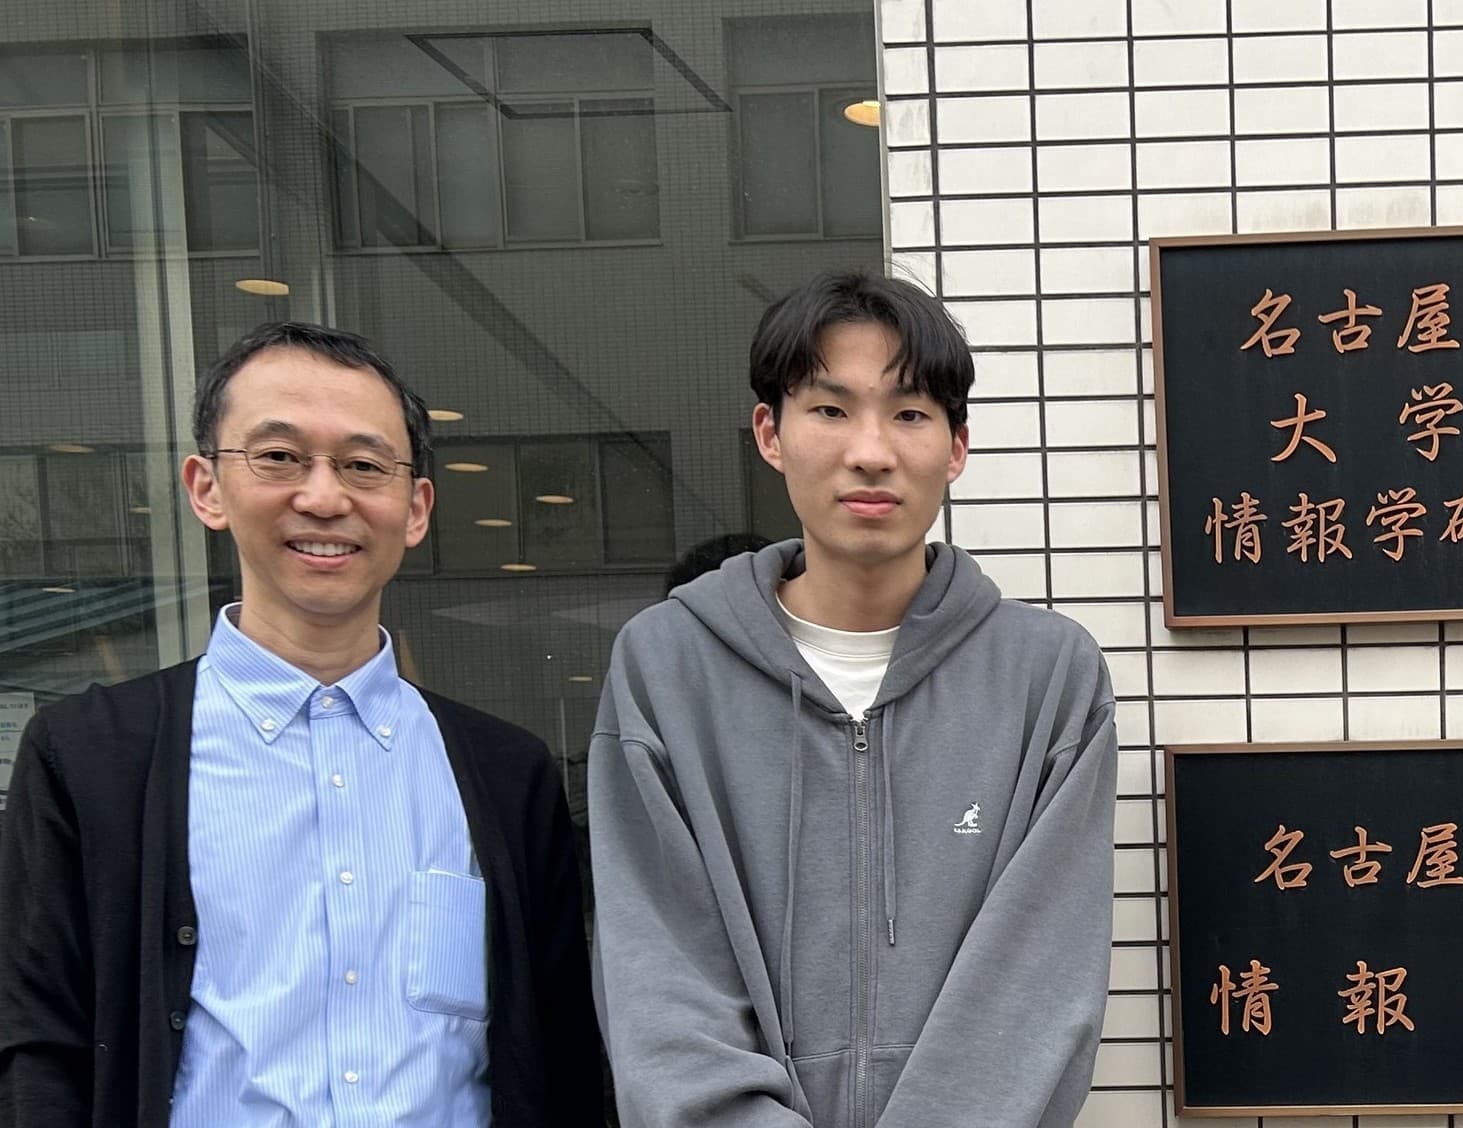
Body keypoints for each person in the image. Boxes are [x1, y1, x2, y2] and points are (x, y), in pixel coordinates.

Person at [0, 322, 605, 1126]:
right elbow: (39, 1045)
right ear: (207, 488)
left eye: (363, 465)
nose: (324, 497)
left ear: (416, 507)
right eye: (280, 456)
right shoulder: (87, 759)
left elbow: (561, 1055)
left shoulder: (508, 776)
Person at [590, 271, 1117, 1127]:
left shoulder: (1048, 678)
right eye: (831, 409)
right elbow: (659, 974)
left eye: (909, 414)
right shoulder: (668, 666)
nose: (871, 451)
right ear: (771, 433)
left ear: (956, 447)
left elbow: (1040, 980)